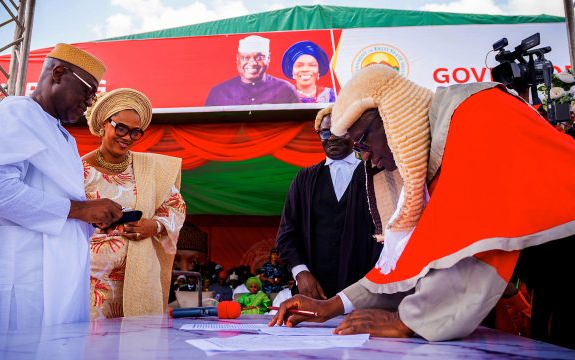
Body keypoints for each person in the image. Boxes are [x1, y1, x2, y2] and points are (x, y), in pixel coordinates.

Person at [270, 64, 575, 345]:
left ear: (392, 117)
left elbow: (472, 254)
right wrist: (332, 306)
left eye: (363, 141)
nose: (365, 157)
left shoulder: (475, 114)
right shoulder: (437, 160)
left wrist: (405, 320)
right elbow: (409, 263)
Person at [0, 43, 124, 337]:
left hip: (50, 279)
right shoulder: (16, 115)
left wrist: (88, 218)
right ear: (59, 73)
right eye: (87, 92)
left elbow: (50, 198)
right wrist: (79, 210)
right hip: (19, 283)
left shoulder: (60, 134)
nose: (89, 103)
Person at [83, 88, 186, 319]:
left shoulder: (151, 169)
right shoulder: (78, 169)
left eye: (135, 132)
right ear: (103, 125)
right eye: (121, 128)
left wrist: (155, 226)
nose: (127, 137)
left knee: (135, 346)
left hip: (139, 278)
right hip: (87, 281)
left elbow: (175, 207)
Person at [275, 107, 382, 299]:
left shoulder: (373, 174)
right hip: (313, 294)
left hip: (362, 293)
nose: (331, 137)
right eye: (325, 132)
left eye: (339, 130)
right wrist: (300, 272)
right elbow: (286, 234)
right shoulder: (304, 179)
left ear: (353, 132)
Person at [205, 35, 299, 106]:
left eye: (260, 57)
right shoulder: (219, 92)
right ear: (238, 59)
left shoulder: (286, 89)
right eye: (246, 57)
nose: (253, 63)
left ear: (269, 58)